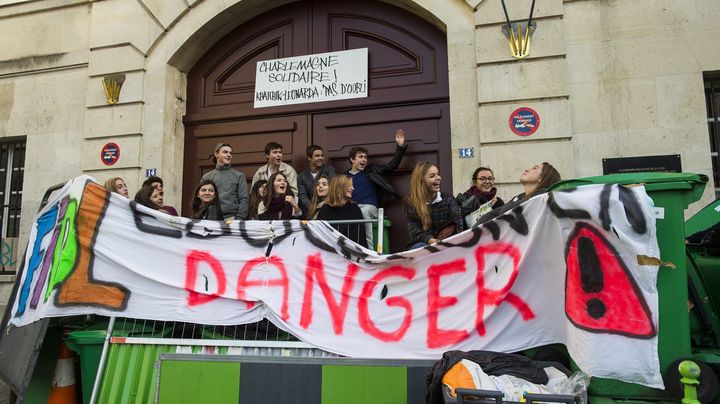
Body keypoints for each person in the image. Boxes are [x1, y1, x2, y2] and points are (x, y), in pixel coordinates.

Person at [347, 128, 407, 247]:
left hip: (369, 207)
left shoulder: (372, 170)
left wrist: (399, 146)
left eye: (365, 157)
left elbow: (392, 165)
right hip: (352, 207)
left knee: (363, 212)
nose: (364, 159)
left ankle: (369, 247)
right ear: (352, 159)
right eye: (360, 157)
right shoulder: (345, 177)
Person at [476, 162, 562, 225]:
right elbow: (494, 214)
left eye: (535, 168)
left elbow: (504, 211)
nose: (527, 169)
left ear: (542, 178)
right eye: (482, 179)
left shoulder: (543, 198)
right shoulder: (519, 197)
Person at [405, 161, 463, 249]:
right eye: (432, 176)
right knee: (420, 247)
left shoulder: (449, 199)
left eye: (438, 174)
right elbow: (415, 231)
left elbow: (459, 226)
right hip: (422, 245)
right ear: (421, 181)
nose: (438, 178)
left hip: (447, 244)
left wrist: (444, 243)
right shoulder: (411, 202)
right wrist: (434, 242)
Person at [201, 143, 249, 220]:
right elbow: (200, 199)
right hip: (210, 218)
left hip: (231, 218)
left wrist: (239, 219)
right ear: (216, 154)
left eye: (230, 153)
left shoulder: (239, 176)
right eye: (225, 152)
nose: (229, 155)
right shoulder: (207, 177)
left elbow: (244, 199)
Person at [317, 176, 368, 248]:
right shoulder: (325, 209)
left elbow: (360, 237)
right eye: (349, 185)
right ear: (340, 187)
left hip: (351, 253)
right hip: (330, 253)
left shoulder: (354, 209)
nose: (352, 188)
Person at [298, 145, 336, 216]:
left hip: (329, 208)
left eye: (322, 155)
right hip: (310, 211)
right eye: (317, 156)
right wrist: (312, 207)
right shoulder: (302, 176)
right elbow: (302, 195)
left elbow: (333, 188)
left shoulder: (329, 169)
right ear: (309, 158)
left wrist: (324, 206)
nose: (321, 158)